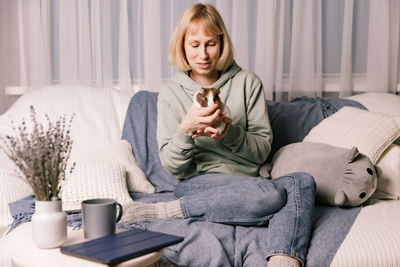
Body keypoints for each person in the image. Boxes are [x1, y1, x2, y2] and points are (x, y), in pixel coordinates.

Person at [124, 4, 316, 267]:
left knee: (302, 182)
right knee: (271, 195)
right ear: (182, 46)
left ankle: (283, 261)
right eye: (194, 44)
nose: (202, 54)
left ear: (222, 43)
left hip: (248, 182)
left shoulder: (248, 82)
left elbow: (261, 151)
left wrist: (229, 132)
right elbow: (171, 165)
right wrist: (186, 129)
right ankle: (166, 210)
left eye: (210, 44)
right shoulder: (171, 93)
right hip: (198, 183)